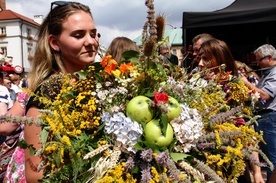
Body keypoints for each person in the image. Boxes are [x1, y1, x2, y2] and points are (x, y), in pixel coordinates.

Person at [21, 2, 99, 182]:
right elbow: (35, 175)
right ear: (55, 43)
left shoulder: (103, 83)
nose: (90, 41)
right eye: (78, 35)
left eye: (93, 34)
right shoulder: (46, 97)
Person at [199, 39, 265, 183]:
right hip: (206, 166)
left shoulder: (236, 91)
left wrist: (257, 171)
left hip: (233, 164)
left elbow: (248, 134)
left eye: (205, 59)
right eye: (200, 58)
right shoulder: (196, 89)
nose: (200, 64)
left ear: (220, 59)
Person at [240, 44, 276, 181]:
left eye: (260, 60)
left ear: (270, 58)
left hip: (270, 118)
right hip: (264, 118)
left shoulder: (274, 74)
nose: (257, 63)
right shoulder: (266, 74)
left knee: (271, 157)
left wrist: (246, 83)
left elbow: (265, 95)